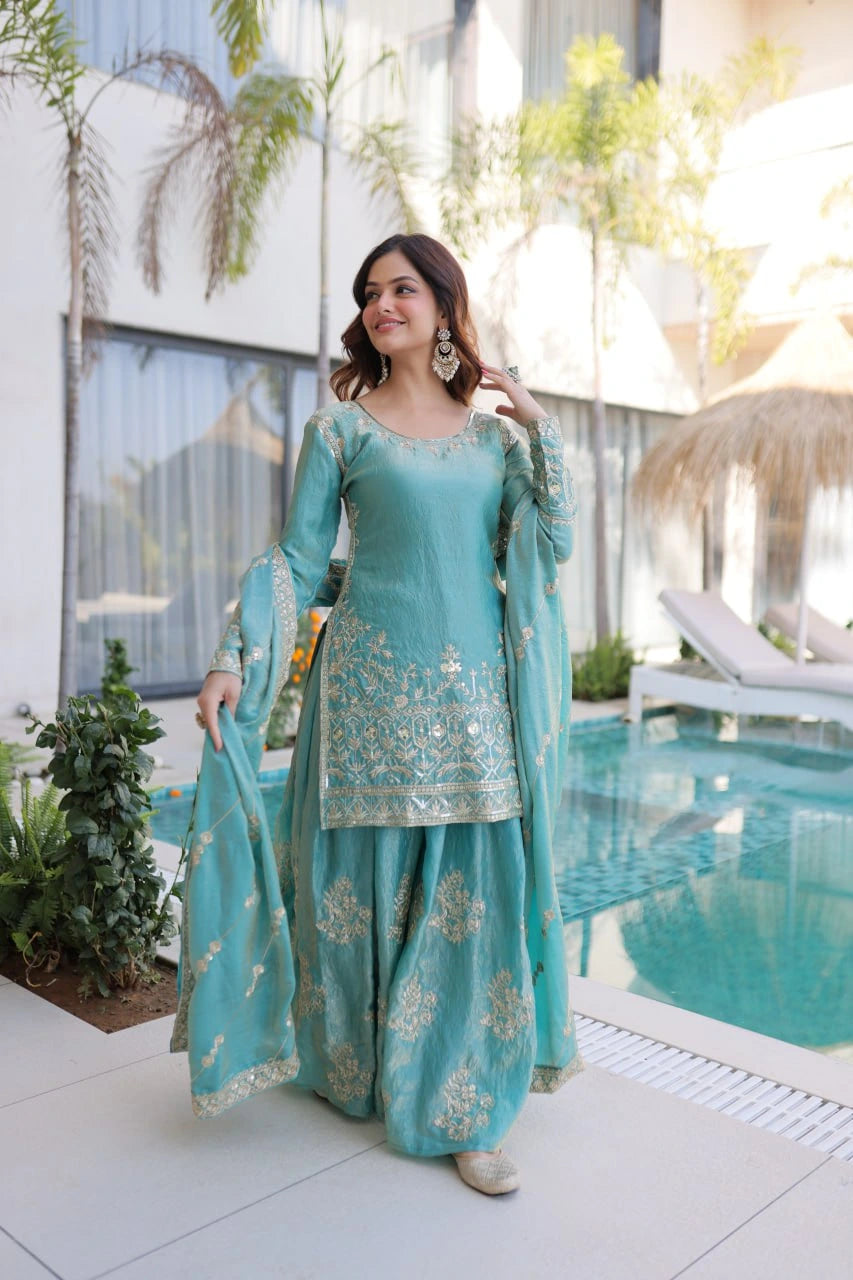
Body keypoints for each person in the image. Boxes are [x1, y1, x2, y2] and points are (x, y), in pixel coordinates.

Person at [177, 232, 583, 1197]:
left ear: (444, 305)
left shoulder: (496, 442)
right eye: (370, 294)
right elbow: (297, 559)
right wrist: (233, 658)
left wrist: (536, 419)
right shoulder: (340, 430)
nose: (381, 306)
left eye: (402, 289)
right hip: (363, 693)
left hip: (472, 698)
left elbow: (549, 544)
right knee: (355, 888)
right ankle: (354, 1069)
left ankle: (466, 1105)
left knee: (469, 898)